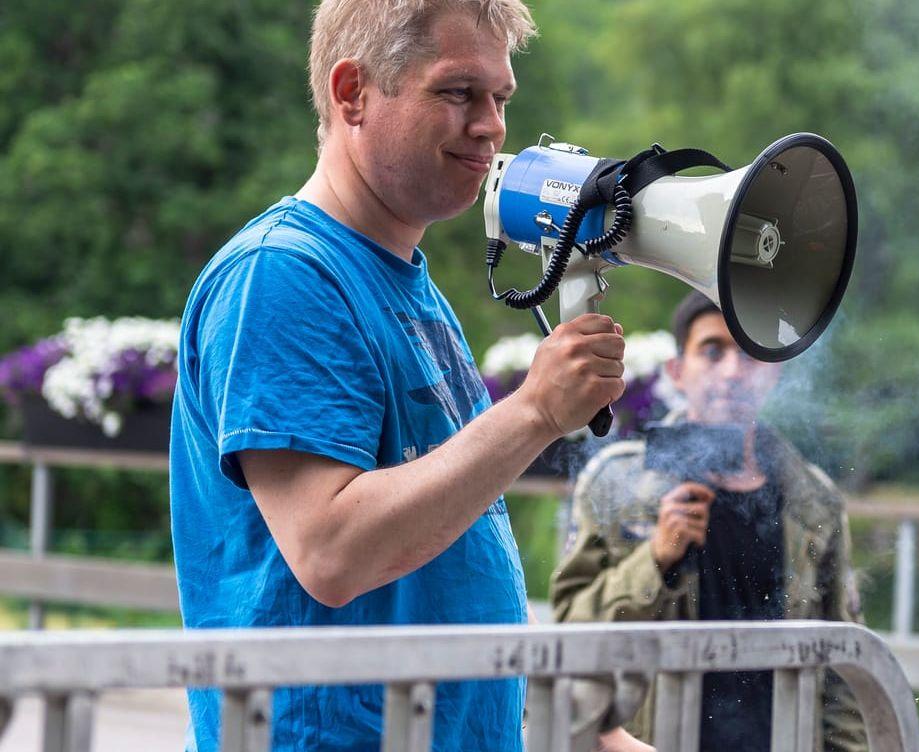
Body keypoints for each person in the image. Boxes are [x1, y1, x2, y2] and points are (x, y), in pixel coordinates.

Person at [169, 1, 647, 749]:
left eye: (500, 99)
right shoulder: (283, 274)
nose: (490, 126)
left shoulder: (406, 284)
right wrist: (533, 412)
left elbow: (442, 564)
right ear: (351, 92)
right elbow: (332, 551)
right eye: (458, 93)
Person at [551, 291, 869, 752]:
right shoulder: (619, 481)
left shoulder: (813, 500)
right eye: (713, 350)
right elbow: (570, 633)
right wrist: (656, 558)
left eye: (751, 353)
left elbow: (844, 666)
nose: (733, 371)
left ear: (774, 372)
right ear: (677, 372)